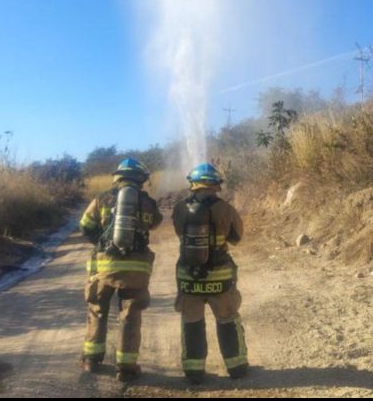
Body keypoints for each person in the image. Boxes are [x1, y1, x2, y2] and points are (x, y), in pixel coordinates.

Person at [78, 158, 163, 383]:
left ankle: (91, 360)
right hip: (136, 270)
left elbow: (85, 225)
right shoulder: (147, 203)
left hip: (104, 268)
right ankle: (126, 367)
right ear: (141, 179)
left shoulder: (102, 199)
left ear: (118, 177)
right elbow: (155, 223)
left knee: (97, 311)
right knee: (130, 316)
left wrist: (102, 243)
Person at [171, 162, 248, 384]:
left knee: (192, 321)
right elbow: (236, 238)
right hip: (220, 278)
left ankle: (194, 371)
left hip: (189, 277)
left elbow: (179, 234)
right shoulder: (226, 209)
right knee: (227, 319)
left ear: (193, 184)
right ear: (216, 185)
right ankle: (237, 367)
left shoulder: (179, 209)